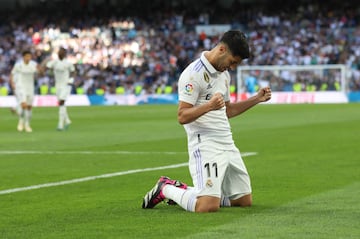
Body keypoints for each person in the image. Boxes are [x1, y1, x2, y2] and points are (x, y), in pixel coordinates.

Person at [142, 30, 272, 213]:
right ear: (221, 50)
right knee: (207, 206)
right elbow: (182, 116)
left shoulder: (223, 74)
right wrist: (209, 106)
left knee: (243, 200)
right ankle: (166, 188)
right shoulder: (193, 75)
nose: (233, 67)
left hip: (227, 141)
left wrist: (256, 99)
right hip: (205, 143)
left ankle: (195, 192)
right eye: (233, 62)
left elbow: (228, 110)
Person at [45, 47, 76, 131]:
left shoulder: (68, 63)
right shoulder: (54, 62)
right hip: (57, 85)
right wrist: (47, 62)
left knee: (62, 102)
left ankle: (60, 124)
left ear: (65, 54)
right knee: (61, 103)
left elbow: (73, 72)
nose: (60, 53)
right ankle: (67, 120)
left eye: (62, 52)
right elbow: (47, 67)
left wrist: (71, 80)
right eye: (59, 52)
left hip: (66, 85)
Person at [10, 50, 40, 133]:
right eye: (26, 56)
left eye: (29, 56)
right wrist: (12, 83)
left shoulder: (33, 65)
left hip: (30, 87)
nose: (28, 58)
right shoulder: (18, 65)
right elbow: (12, 74)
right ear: (23, 57)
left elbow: (40, 73)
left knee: (29, 107)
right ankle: (22, 123)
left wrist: (40, 69)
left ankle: (25, 122)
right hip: (21, 87)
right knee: (24, 105)